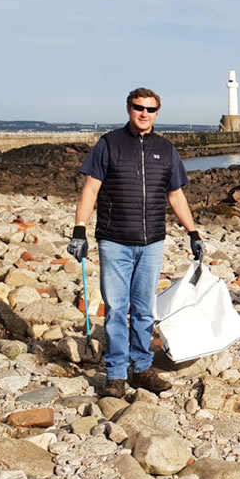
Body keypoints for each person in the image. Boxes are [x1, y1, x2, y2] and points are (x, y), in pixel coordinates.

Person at [67, 87, 204, 398]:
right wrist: (79, 230)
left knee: (143, 309)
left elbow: (176, 195)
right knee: (116, 308)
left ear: (157, 113)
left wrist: (193, 232)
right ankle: (115, 374)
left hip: (152, 242)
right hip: (114, 241)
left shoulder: (166, 150)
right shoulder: (109, 145)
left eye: (150, 109)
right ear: (129, 108)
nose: (144, 113)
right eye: (138, 107)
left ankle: (141, 368)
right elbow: (90, 189)